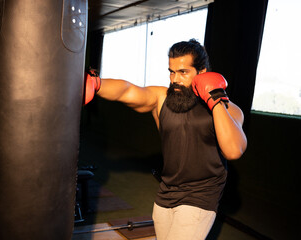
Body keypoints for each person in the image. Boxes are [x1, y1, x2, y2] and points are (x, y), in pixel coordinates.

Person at [84, 39, 247, 240]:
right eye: (171, 71)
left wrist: (216, 100)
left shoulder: (229, 109)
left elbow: (233, 150)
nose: (175, 79)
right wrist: (96, 84)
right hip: (166, 194)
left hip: (200, 197)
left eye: (183, 72)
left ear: (202, 72)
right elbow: (128, 90)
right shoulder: (162, 98)